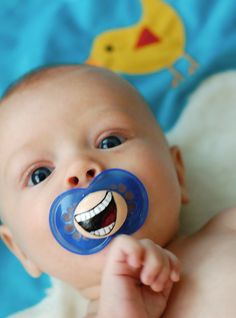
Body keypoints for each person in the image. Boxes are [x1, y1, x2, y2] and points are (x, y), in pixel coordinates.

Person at [0, 65, 235, 318]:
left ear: (177, 173)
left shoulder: (226, 229)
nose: (79, 168)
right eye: (40, 175)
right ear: (21, 250)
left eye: (110, 142)